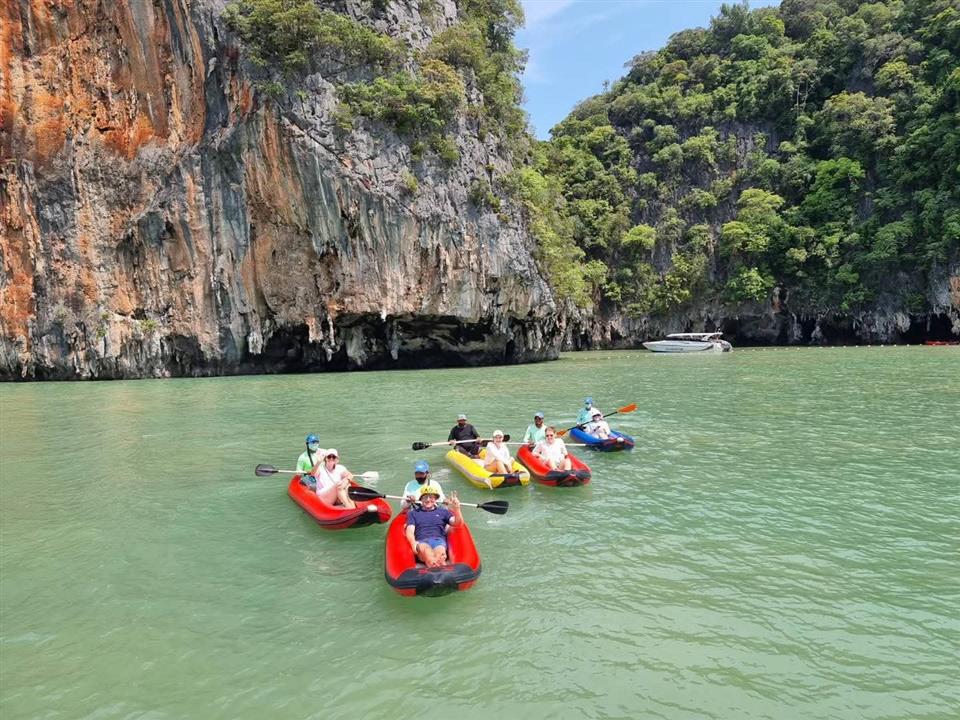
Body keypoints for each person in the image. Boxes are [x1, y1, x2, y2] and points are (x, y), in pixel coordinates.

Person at [405, 485, 462, 568]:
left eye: (431, 497)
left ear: (435, 499)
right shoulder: (413, 513)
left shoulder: (443, 512)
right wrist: (413, 543)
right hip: (422, 541)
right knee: (428, 553)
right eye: (425, 497)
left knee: (440, 553)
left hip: (438, 541)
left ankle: (440, 569)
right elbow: (410, 531)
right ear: (421, 499)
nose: (428, 499)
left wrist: (457, 509)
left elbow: (457, 523)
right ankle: (436, 569)